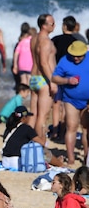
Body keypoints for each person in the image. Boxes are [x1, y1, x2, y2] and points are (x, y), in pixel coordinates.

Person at [51, 41, 89, 165]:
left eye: (79, 56)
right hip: (71, 99)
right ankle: (71, 158)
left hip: (88, 100)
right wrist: (67, 80)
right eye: (74, 55)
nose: (76, 58)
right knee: (71, 127)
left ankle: (86, 158)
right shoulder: (65, 60)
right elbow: (54, 77)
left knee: (86, 128)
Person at [30, 14, 57, 144]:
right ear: (44, 25)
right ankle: (40, 146)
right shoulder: (45, 41)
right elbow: (44, 63)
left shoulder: (33, 39)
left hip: (34, 78)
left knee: (33, 115)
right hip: (44, 80)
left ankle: (28, 142)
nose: (54, 25)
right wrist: (52, 82)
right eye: (52, 23)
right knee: (43, 117)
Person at [0, 105, 43, 169]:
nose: (29, 118)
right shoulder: (27, 128)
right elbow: (42, 143)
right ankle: (60, 164)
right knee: (39, 148)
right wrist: (44, 132)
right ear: (23, 118)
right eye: (28, 116)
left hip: (5, 161)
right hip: (16, 162)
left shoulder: (9, 128)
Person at [12, 22, 34, 88]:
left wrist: (15, 65)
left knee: (23, 82)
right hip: (30, 65)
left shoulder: (21, 41)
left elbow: (16, 53)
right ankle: (29, 97)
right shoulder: (32, 41)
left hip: (21, 65)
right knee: (30, 83)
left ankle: (23, 96)